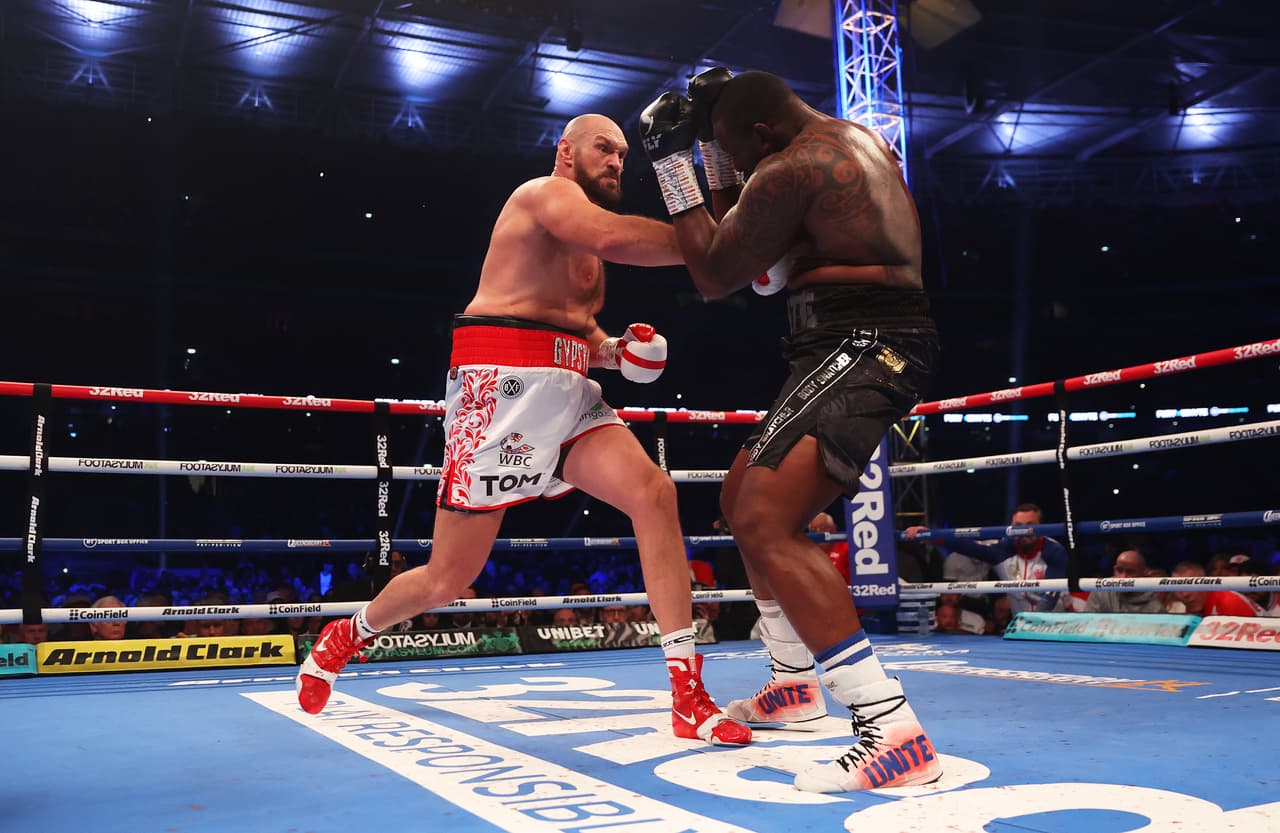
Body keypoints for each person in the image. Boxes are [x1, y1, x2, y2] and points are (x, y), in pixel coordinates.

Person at [296, 113, 750, 747]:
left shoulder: (590, 253)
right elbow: (615, 235)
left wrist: (622, 352)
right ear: (565, 152)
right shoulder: (543, 196)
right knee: (448, 577)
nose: (617, 161)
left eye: (622, 154)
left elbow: (580, 334)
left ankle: (686, 693)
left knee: (654, 494)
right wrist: (712, 242)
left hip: (569, 394)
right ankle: (350, 633)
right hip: (497, 390)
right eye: (603, 148)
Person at [640, 69, 941, 791]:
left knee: (767, 518)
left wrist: (671, 165)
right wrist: (714, 152)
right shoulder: (840, 142)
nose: (740, 171)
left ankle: (891, 726)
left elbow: (715, 272)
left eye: (735, 154)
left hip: (866, 341)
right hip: (840, 342)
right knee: (740, 499)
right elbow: (753, 236)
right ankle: (794, 683)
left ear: (764, 136)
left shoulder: (791, 166)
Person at [907, 503, 1067, 614]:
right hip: (1023, 627)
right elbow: (966, 545)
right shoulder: (1002, 550)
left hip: (1054, 624)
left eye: (1029, 524)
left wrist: (1032, 625)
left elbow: (1050, 597)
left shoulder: (1054, 551)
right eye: (1018, 525)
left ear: (1041, 526)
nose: (1023, 530)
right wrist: (930, 535)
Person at [1085, 550, 1164, 614]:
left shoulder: (1155, 606)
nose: (1123, 577)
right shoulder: (1101, 591)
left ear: (1143, 573)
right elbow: (1088, 624)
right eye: (1119, 570)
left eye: (1130, 572)